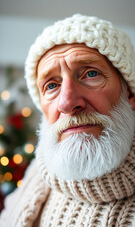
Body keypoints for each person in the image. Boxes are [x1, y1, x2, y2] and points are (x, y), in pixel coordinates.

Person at [0, 14, 135, 226]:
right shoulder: (32, 179)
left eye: (91, 73)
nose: (67, 103)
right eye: (51, 85)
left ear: (130, 94)